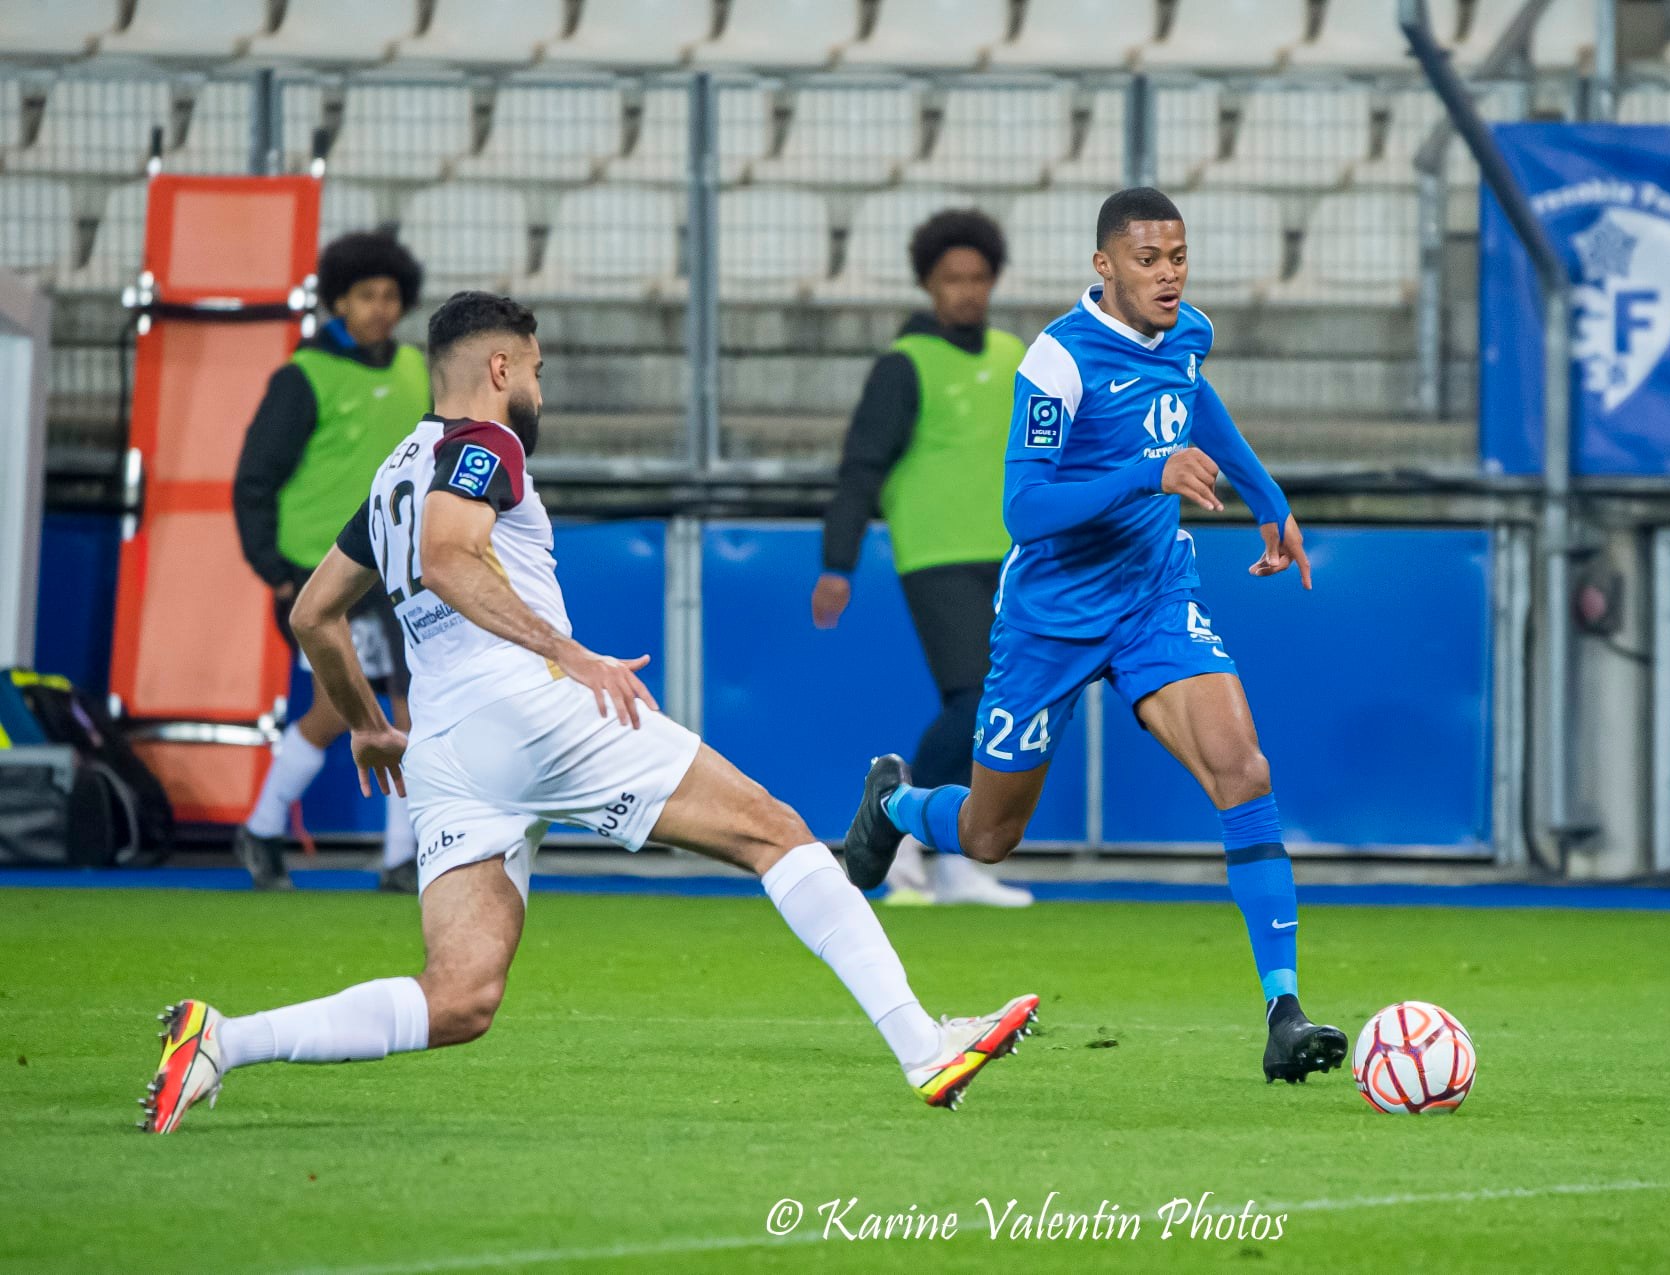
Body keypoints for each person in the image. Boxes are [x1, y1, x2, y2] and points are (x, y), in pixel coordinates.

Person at [140, 293, 1037, 1135]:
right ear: (498, 368)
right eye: (534, 369)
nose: (540, 388)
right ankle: (925, 1042)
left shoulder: (393, 474)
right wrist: (566, 653)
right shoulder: (483, 445)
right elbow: (451, 558)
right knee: (777, 833)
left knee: (461, 997)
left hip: (451, 752)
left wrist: (370, 722)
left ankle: (223, 1038)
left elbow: (313, 613)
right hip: (532, 708)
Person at [839, 189, 1349, 1084]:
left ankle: (1283, 1008)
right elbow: (1026, 510)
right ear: (1104, 266)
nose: (1167, 275)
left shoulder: (1187, 331)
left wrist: (1268, 496)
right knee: (992, 834)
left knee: (1245, 769)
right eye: (1148, 260)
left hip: (1154, 594)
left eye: (1178, 257)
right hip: (1052, 617)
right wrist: (1147, 470)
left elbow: (1199, 401)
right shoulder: (1058, 362)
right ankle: (893, 805)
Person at [812, 209, 1032, 909]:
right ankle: (905, 829)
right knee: (973, 697)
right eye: (950, 279)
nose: (966, 291)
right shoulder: (903, 365)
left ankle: (952, 856)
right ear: (929, 285)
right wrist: (837, 562)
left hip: (1014, 554)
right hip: (935, 556)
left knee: (998, 707)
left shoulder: (1016, 355)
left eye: (977, 278)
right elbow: (861, 467)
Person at [231, 230, 431, 893]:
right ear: (338, 299)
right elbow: (254, 479)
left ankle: (400, 856)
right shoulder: (303, 376)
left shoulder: (415, 370)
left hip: (398, 570)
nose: (379, 307)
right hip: (322, 572)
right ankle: (262, 830)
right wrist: (277, 570)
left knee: (407, 704)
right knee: (340, 709)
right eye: (365, 295)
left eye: (390, 296)